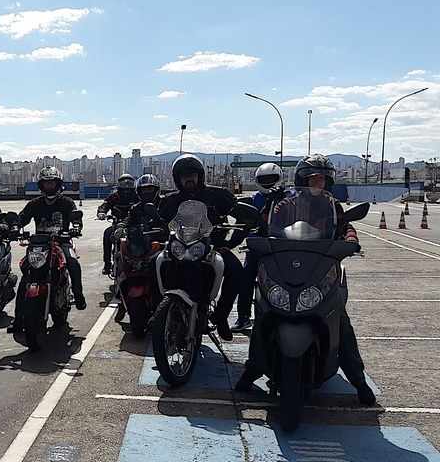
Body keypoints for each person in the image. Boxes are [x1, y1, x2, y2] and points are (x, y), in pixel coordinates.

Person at [235, 154, 376, 406]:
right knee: (263, 314)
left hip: (320, 267)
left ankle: (358, 380)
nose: (317, 183)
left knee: (341, 322)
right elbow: (266, 226)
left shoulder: (333, 205)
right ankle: (253, 368)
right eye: (312, 178)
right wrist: (256, 236)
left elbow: (345, 227)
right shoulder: (284, 204)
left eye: (322, 179)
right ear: (302, 179)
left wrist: (352, 241)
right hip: (287, 265)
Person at [149, 154, 246, 341]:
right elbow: (157, 220)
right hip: (179, 248)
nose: (189, 179)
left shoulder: (219, 195)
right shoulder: (169, 200)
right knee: (154, 263)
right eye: (184, 176)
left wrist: (229, 243)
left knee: (235, 269)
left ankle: (221, 316)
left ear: (200, 175)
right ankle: (159, 311)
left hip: (213, 248)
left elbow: (242, 217)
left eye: (192, 174)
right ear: (178, 179)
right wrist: (156, 230)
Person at [9, 167, 85, 333]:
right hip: (39, 246)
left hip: (60, 243)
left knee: (72, 262)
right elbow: (22, 218)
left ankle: (78, 296)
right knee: (25, 278)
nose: (50, 186)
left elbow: (75, 216)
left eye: (52, 183)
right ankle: (18, 319)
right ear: (41, 185)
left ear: (58, 184)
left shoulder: (66, 202)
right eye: (47, 183)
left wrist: (76, 227)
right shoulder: (35, 204)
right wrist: (15, 227)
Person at [231, 163, 293, 332]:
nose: (267, 182)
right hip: (257, 246)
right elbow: (243, 224)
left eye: (271, 179)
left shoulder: (291, 196)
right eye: (263, 179)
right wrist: (230, 243)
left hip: (283, 246)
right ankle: (243, 316)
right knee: (246, 277)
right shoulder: (253, 199)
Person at [112, 174, 165, 322]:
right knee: (120, 260)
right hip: (140, 245)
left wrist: (164, 227)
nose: (147, 193)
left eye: (150, 189)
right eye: (144, 190)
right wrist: (121, 227)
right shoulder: (136, 208)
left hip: (160, 244)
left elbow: (172, 220)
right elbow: (128, 219)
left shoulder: (165, 204)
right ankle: (121, 300)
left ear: (156, 190)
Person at [97, 173, 137, 275]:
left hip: (134, 226)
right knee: (107, 234)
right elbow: (104, 205)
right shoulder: (113, 197)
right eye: (123, 184)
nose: (126, 188)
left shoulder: (137, 197)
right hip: (116, 225)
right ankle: (107, 264)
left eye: (129, 184)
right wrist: (102, 212)